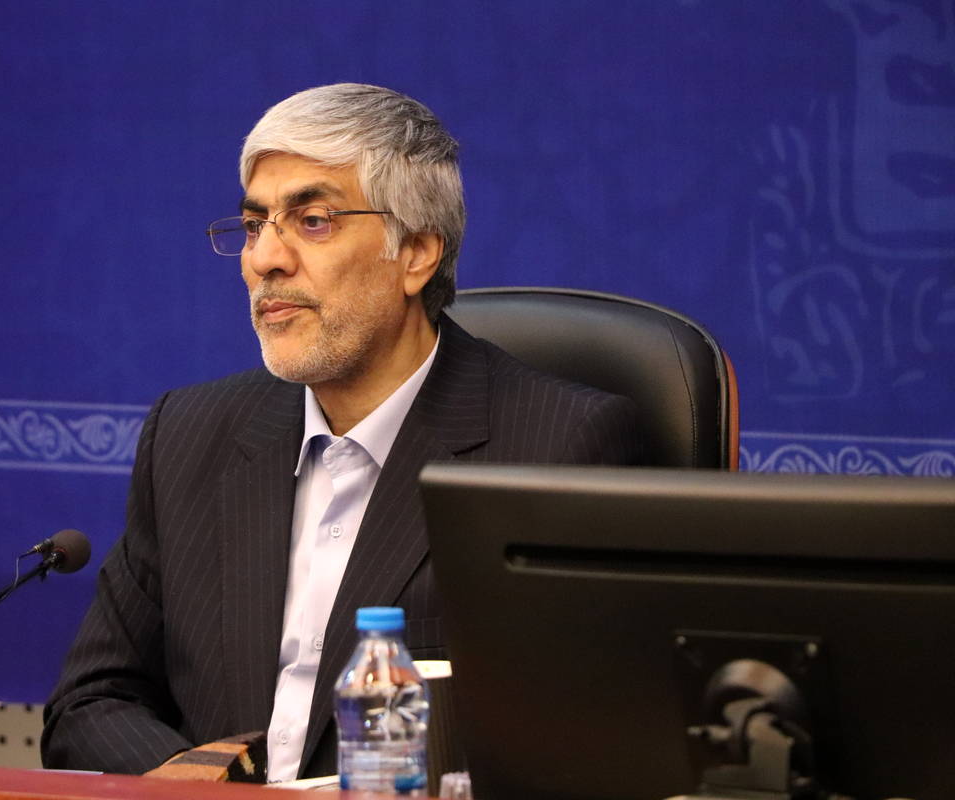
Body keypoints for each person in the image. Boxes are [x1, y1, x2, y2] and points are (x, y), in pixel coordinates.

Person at [41, 83, 641, 781]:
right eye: (254, 224)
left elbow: (594, 745)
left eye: (313, 220)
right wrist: (203, 785)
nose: (265, 259)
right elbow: (91, 701)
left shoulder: (559, 449)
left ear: (415, 253)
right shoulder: (191, 435)